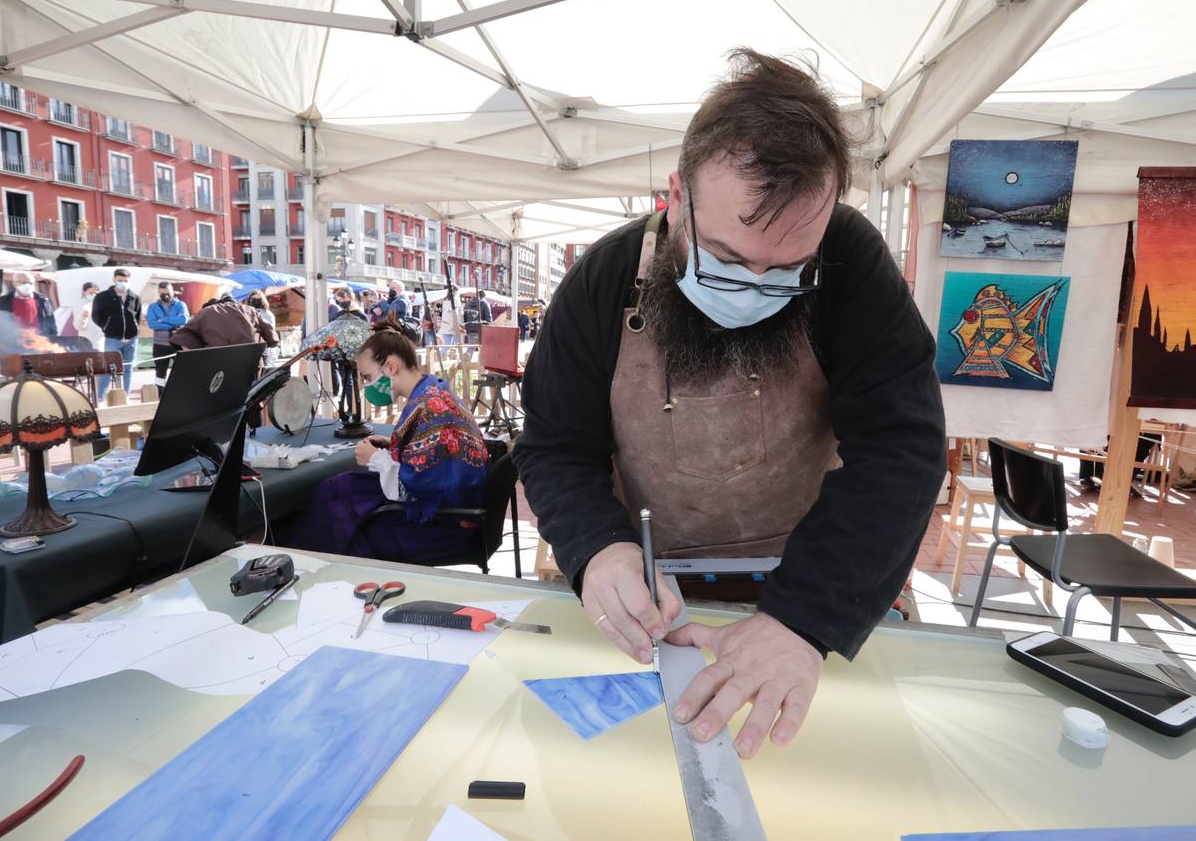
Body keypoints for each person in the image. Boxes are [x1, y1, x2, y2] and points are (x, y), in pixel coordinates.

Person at [512, 50, 946, 759]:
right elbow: (557, 446)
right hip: (651, 598)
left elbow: (903, 447)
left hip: (809, 581)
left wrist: (804, 620)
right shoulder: (604, 279)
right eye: (723, 255)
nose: (751, 285)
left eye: (785, 268)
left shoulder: (852, 262)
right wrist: (598, 549)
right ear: (677, 194)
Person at [274, 319, 490, 561]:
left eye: (367, 377)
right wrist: (392, 445)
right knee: (340, 489)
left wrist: (376, 459)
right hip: (453, 515)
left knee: (340, 513)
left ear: (390, 367)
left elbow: (419, 486)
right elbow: (434, 457)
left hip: (444, 528)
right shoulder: (432, 393)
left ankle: (308, 562)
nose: (366, 385)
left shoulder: (431, 408)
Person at [92, 268, 142, 397]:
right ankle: (101, 397)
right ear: (114, 280)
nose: (123, 283)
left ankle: (126, 396)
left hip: (131, 339)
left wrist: (135, 329)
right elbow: (96, 316)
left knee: (128, 369)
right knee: (109, 368)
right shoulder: (102, 296)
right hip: (112, 339)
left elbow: (138, 316)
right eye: (120, 280)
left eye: (126, 281)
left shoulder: (135, 297)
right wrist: (107, 327)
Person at [171, 294, 278, 350]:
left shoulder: (206, 312)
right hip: (249, 364)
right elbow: (272, 337)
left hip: (217, 365)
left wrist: (199, 353)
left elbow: (181, 336)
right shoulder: (251, 311)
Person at [145, 281, 188, 386]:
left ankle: (180, 392)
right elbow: (152, 324)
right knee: (160, 372)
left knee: (183, 370)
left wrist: (163, 320)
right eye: (162, 293)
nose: (166, 295)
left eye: (168, 292)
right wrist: (172, 324)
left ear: (173, 292)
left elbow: (183, 320)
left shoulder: (180, 305)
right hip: (160, 344)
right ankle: (160, 393)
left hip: (177, 343)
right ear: (158, 293)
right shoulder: (152, 307)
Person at [0, 271, 57, 336]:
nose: (26, 285)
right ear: (14, 283)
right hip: (12, 342)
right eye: (22, 282)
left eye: (30, 282)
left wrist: (53, 340)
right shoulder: (2, 301)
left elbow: (51, 324)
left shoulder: (43, 300)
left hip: (38, 342)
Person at [245, 290, 279, 366]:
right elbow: (271, 332)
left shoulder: (248, 314)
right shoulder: (269, 314)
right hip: (265, 349)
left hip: (253, 349)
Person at [75, 281, 105, 352]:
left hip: (99, 344)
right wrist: (83, 317)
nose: (93, 295)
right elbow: (78, 327)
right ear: (84, 292)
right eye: (90, 293)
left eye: (95, 293)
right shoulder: (79, 306)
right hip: (85, 343)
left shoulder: (102, 305)